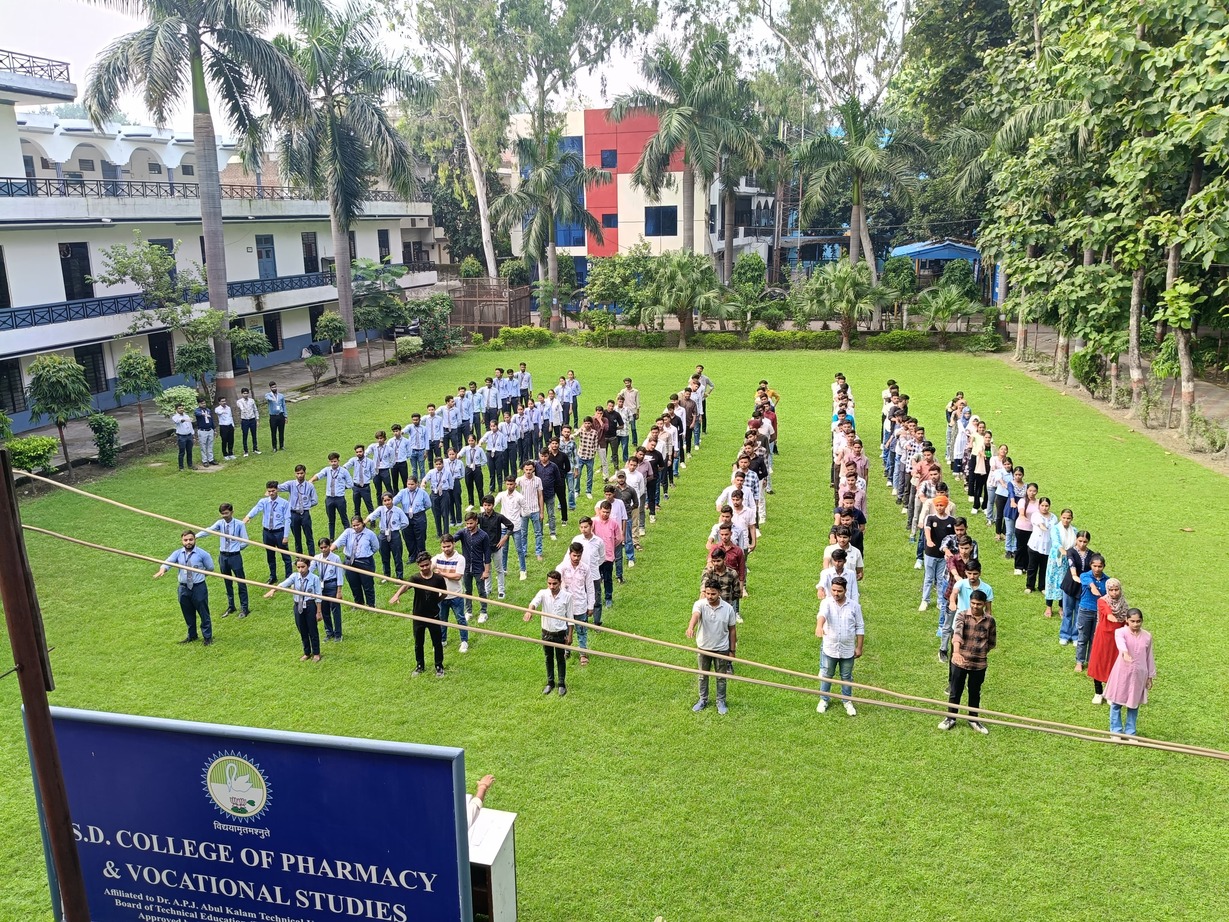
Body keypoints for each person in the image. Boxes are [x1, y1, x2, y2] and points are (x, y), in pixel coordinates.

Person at [938, 590, 995, 734]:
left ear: (984, 604)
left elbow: (992, 642)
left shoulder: (990, 621)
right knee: (955, 691)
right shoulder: (962, 615)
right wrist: (956, 652)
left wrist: (980, 652)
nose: (975, 606)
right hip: (960, 661)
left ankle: (973, 719)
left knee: (975, 692)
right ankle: (951, 718)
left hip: (979, 663)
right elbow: (957, 634)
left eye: (979, 604)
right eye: (973, 603)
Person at [154, 531, 215, 645]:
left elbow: (210, 568)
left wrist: (201, 576)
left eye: (190, 540)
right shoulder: (178, 553)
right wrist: (163, 569)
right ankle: (192, 636)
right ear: (182, 541)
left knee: (203, 612)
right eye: (185, 540)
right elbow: (168, 562)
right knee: (187, 613)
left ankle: (207, 637)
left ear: (195, 540)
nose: (188, 542)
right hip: (183, 588)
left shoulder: (203, 554)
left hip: (198, 587)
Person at [391, 553, 447, 677]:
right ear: (418, 566)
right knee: (418, 642)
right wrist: (397, 594)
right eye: (422, 566)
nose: (425, 568)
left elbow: (444, 593)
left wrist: (435, 601)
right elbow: (406, 586)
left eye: (427, 565)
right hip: (418, 616)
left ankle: (439, 666)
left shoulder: (438, 579)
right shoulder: (416, 578)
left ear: (430, 564)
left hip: (433, 616)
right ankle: (420, 665)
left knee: (437, 643)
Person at [815, 576, 864, 716]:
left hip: (848, 649)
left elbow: (860, 627)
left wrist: (859, 647)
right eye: (834, 590)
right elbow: (822, 615)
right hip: (830, 648)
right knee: (827, 674)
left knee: (846, 676)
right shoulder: (827, 603)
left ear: (845, 590)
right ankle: (823, 699)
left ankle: (847, 701)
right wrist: (819, 626)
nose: (836, 593)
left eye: (839, 591)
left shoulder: (854, 606)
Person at [1104, 609, 1156, 738]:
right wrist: (1125, 652)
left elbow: (1149, 656)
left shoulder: (1147, 636)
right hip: (1122, 672)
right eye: (1132, 621)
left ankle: (1130, 733)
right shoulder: (1120, 632)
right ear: (1127, 620)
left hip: (1139, 674)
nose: (1136, 624)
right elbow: (1120, 643)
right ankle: (1115, 731)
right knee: (1117, 702)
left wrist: (1150, 677)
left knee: (1134, 704)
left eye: (1138, 621)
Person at [687, 581, 738, 714]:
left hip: (721, 648)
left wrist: (732, 651)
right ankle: (702, 700)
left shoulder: (728, 608)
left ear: (719, 593)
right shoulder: (700, 604)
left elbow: (732, 630)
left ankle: (721, 701)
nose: (709, 596)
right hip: (703, 648)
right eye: (707, 593)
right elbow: (696, 615)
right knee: (703, 676)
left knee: (721, 677)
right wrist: (691, 627)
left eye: (713, 594)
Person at [264, 557, 323, 662]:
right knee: (302, 630)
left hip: (310, 606)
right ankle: (307, 652)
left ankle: (316, 653)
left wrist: (318, 612)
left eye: (303, 567)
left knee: (312, 630)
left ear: (308, 566)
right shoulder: (295, 576)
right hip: (298, 606)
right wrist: (274, 590)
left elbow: (318, 596)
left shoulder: (314, 578)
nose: (301, 570)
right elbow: (284, 584)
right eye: (298, 567)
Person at [196, 503, 249, 618]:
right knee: (227, 581)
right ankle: (231, 606)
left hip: (235, 556)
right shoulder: (220, 523)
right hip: (223, 557)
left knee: (241, 581)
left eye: (226, 513)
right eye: (222, 514)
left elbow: (245, 541)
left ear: (232, 512)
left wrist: (236, 548)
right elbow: (209, 530)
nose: (224, 516)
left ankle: (244, 608)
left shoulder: (239, 524)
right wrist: (196, 536)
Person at [524, 571, 572, 696]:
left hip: (560, 633)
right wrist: (530, 611)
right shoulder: (543, 593)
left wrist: (570, 635)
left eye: (554, 584)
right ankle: (550, 682)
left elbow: (570, 618)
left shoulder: (567, 596)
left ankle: (561, 683)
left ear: (560, 583)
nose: (551, 586)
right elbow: (534, 603)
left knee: (560, 658)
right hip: (546, 633)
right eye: (549, 583)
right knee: (548, 658)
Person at [1087, 578, 1128, 704]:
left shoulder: (1123, 603)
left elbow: (1127, 618)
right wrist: (1115, 619)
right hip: (1103, 636)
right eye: (1111, 590)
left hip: (1117, 638)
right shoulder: (1102, 601)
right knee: (1099, 662)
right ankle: (1098, 692)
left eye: (1116, 590)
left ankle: (1110, 693)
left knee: (1114, 664)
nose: (1114, 593)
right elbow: (1109, 614)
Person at [943, 559, 992, 664]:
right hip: (960, 623)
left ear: (980, 573)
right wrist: (952, 602)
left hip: (977, 625)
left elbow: (988, 609)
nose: (972, 576)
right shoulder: (961, 583)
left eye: (975, 574)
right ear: (965, 572)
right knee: (955, 654)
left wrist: (987, 625)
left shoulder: (987, 588)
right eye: (969, 573)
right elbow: (954, 594)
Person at [243, 481, 292, 583]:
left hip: (279, 532)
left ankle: (289, 577)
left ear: (277, 490)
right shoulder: (264, 502)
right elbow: (256, 509)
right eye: (269, 491)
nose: (271, 493)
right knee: (270, 555)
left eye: (273, 491)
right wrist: (248, 516)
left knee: (285, 555)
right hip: (267, 532)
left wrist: (286, 536)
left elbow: (287, 519)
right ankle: (273, 576)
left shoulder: (284, 503)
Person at [557, 541, 595, 665]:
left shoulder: (585, 568)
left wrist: (590, 606)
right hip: (565, 605)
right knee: (565, 629)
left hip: (580, 604)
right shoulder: (561, 567)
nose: (576, 558)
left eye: (579, 555)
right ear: (570, 554)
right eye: (574, 555)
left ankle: (583, 653)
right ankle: (566, 650)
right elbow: (555, 586)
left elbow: (590, 587)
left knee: (582, 629)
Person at [330, 516, 379, 608]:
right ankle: (358, 603)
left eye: (358, 525)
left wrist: (367, 554)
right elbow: (338, 542)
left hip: (365, 562)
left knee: (367, 584)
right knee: (354, 584)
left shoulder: (370, 534)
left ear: (362, 523)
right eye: (354, 525)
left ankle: (371, 604)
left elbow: (375, 547)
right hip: (350, 561)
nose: (356, 527)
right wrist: (329, 551)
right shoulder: (348, 532)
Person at [452, 512, 491, 624]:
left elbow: (487, 555)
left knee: (481, 591)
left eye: (471, 523)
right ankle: (468, 611)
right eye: (467, 523)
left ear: (476, 521)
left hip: (479, 568)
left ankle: (484, 612)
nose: (469, 525)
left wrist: (486, 571)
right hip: (466, 568)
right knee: (467, 590)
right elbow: (453, 538)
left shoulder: (483, 536)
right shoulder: (463, 533)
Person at [433, 534, 469, 652]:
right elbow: (427, 568)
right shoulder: (437, 558)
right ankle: (442, 640)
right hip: (441, 596)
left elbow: (457, 576)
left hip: (456, 595)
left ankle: (464, 641)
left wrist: (441, 573)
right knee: (442, 620)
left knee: (460, 619)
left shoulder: (460, 559)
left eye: (448, 546)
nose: (446, 549)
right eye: (443, 547)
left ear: (454, 544)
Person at [1075, 554, 1108, 673]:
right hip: (1086, 610)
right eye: (1094, 566)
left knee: (1095, 639)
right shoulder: (1085, 575)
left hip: (1099, 613)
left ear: (1103, 566)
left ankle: (1091, 661)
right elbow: (1088, 582)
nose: (1097, 569)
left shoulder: (1107, 580)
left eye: (1100, 566)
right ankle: (1079, 661)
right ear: (1091, 565)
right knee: (1082, 637)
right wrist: (1093, 587)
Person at [367, 492, 409, 581]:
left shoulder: (398, 510)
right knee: (384, 556)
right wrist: (364, 522)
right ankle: (386, 575)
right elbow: (372, 516)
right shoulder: (381, 509)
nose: (387, 502)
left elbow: (405, 522)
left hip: (394, 534)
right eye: (385, 501)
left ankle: (399, 577)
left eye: (388, 500)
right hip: (383, 534)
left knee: (397, 556)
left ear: (392, 499)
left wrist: (397, 528)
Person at [279, 464, 319, 557]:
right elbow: (279, 487)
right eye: (298, 473)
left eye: (301, 473)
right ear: (295, 474)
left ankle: (312, 557)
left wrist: (306, 506)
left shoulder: (309, 486)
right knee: (297, 538)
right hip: (294, 514)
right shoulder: (291, 484)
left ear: (305, 473)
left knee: (309, 536)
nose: (300, 475)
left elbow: (315, 500)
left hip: (305, 513)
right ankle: (299, 557)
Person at [1044, 508, 1077, 618]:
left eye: (1068, 518)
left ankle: (1061, 607)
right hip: (1056, 559)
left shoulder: (1074, 531)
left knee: (1064, 582)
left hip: (1067, 561)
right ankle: (1048, 607)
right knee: (1051, 581)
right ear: (1060, 517)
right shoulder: (1055, 529)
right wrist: (1064, 551)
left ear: (1072, 519)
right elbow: (1056, 542)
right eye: (1064, 518)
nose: (1066, 520)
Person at [310, 537, 344, 642]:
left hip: (332, 585)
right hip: (321, 586)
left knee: (335, 610)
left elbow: (339, 575)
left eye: (326, 547)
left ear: (330, 546)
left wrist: (339, 590)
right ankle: (329, 632)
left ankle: (338, 634)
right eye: (321, 547)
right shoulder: (317, 557)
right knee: (324, 610)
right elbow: (310, 570)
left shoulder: (336, 558)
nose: (324, 549)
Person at [312, 452, 353, 537]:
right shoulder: (327, 470)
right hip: (329, 498)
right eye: (331, 461)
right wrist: (311, 480)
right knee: (331, 520)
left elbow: (350, 483)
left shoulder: (344, 471)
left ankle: (349, 536)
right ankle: (331, 538)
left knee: (344, 518)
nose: (333, 463)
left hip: (340, 498)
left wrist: (342, 488)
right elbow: (319, 475)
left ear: (338, 461)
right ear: (329, 462)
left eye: (335, 461)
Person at [344, 444, 376, 518]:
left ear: (364, 451)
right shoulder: (353, 460)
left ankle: (372, 520)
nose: (359, 453)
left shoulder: (370, 462)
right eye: (357, 452)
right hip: (356, 487)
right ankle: (357, 521)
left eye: (360, 451)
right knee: (356, 506)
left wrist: (367, 479)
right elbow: (346, 466)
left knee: (369, 505)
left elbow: (373, 473)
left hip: (365, 487)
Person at [236, 387, 261, 457]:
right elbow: (241, 407)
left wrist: (257, 419)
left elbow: (255, 410)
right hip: (245, 420)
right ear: (242, 394)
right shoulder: (239, 401)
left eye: (247, 393)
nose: (246, 395)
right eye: (244, 393)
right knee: (245, 435)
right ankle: (245, 450)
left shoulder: (251, 401)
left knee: (254, 435)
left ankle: (255, 448)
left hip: (252, 419)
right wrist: (243, 408)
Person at [194, 398, 218, 466]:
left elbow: (211, 420)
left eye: (204, 403)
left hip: (210, 430)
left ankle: (211, 459)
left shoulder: (208, 410)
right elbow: (197, 413)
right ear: (199, 404)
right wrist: (203, 414)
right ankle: (204, 460)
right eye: (202, 403)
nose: (204, 404)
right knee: (203, 446)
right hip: (202, 430)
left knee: (210, 445)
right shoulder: (197, 410)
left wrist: (214, 429)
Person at [171, 403, 195, 471]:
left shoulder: (186, 416)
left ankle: (190, 465)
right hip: (181, 437)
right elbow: (178, 421)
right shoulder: (175, 417)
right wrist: (183, 420)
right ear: (176, 409)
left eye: (182, 408)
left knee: (189, 451)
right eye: (179, 408)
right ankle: (181, 467)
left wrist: (192, 433)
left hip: (189, 435)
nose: (181, 409)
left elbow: (190, 425)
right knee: (182, 452)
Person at [264, 381, 287, 451]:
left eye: (275, 387)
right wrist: (273, 399)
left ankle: (282, 445)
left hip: (280, 415)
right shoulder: (268, 395)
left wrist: (285, 416)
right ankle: (274, 447)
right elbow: (267, 398)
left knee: (281, 431)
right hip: (273, 416)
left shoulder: (281, 396)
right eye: (272, 387)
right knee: (273, 432)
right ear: (270, 388)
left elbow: (284, 406)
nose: (274, 388)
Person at [215, 396, 236, 461]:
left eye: (225, 401)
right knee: (224, 441)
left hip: (230, 425)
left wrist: (233, 425)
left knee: (231, 440)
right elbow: (218, 412)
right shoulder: (217, 409)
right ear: (219, 402)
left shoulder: (228, 408)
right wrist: (223, 411)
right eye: (222, 401)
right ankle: (225, 454)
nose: (224, 402)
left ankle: (231, 453)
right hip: (223, 426)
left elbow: (230, 416)